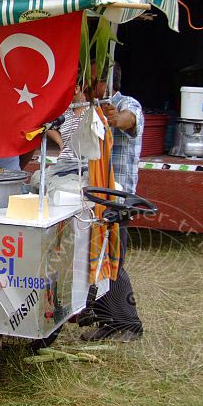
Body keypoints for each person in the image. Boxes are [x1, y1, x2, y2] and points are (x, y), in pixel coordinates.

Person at [81, 61, 145, 342]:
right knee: (96, 259)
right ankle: (107, 322)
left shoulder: (127, 103)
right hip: (98, 197)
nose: (87, 83)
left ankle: (130, 324)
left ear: (106, 83)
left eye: (93, 79)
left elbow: (129, 121)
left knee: (114, 261)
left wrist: (114, 118)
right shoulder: (91, 108)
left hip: (118, 200)